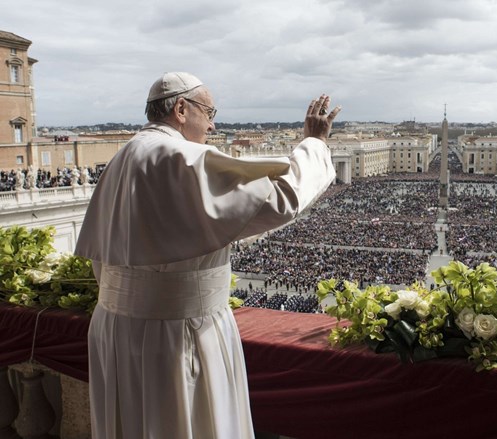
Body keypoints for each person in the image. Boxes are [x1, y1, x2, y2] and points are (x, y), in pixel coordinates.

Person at [74, 72, 340, 439]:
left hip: (116, 327)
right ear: (181, 108)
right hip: (179, 332)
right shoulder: (178, 157)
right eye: (210, 112)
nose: (213, 125)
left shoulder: (124, 157)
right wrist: (313, 142)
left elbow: (105, 259)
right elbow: (280, 199)